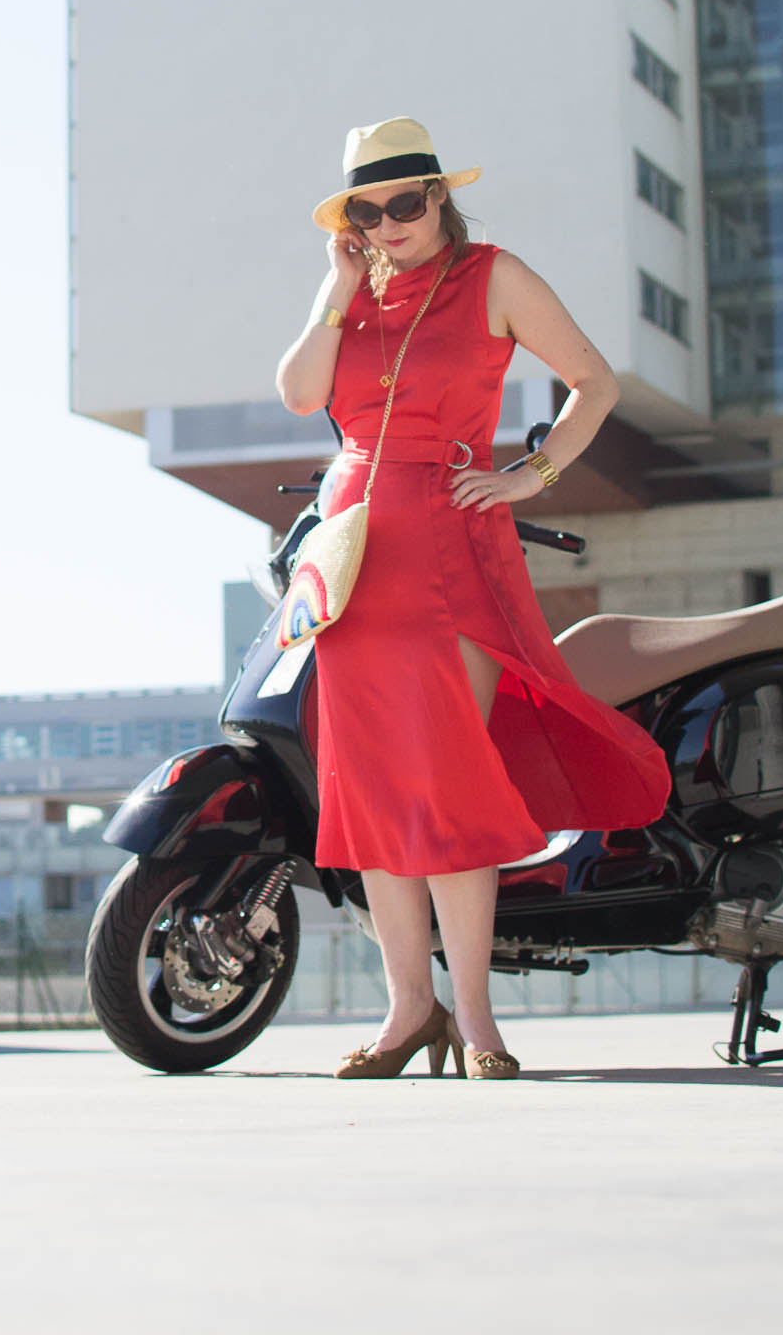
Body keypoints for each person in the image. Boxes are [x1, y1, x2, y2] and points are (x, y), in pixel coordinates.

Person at [275, 117, 670, 1081]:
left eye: (404, 202)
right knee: (367, 791)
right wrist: (335, 286)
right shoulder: (353, 294)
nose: (387, 222)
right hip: (350, 550)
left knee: (447, 780)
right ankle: (408, 1011)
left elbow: (594, 382)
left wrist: (529, 476)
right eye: (365, 211)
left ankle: (478, 1020)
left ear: (438, 196)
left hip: (450, 544)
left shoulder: (493, 275)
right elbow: (296, 396)